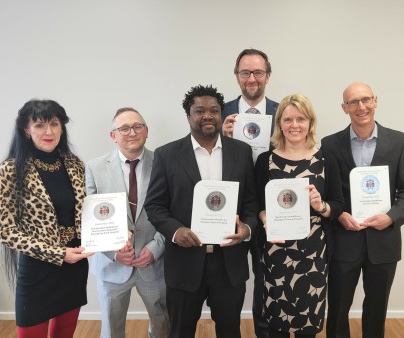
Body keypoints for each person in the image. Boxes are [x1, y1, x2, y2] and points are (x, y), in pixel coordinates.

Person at [144, 85, 259, 338]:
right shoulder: (167, 155)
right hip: (184, 263)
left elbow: (251, 203)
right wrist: (176, 231)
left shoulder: (241, 152)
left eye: (214, 110)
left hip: (228, 263)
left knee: (230, 331)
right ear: (188, 117)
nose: (208, 115)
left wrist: (247, 229)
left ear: (221, 114)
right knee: (180, 332)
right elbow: (154, 206)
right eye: (200, 111)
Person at [321, 82, 404, 338]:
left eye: (365, 100)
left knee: (377, 310)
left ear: (376, 101)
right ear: (344, 108)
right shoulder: (328, 145)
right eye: (353, 102)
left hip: (383, 242)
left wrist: (391, 217)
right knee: (338, 311)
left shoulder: (399, 141)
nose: (360, 107)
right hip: (344, 240)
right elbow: (327, 193)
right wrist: (339, 214)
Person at [0, 99, 93, 338]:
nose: (48, 132)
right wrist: (58, 254)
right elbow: (4, 230)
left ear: (62, 128)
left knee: (64, 335)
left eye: (54, 124)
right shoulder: (11, 169)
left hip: (75, 266)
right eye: (39, 125)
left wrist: (109, 235)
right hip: (38, 268)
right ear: (26, 130)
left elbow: (87, 214)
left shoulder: (75, 165)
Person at [255, 94, 344, 337]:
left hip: (313, 252)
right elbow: (257, 205)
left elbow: (337, 205)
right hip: (276, 251)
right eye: (288, 119)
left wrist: (320, 205)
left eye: (301, 119)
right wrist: (264, 218)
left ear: (310, 122)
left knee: (308, 325)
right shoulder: (265, 161)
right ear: (279, 124)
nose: (294, 125)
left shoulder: (326, 160)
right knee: (277, 324)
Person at [85, 107, 169, 338]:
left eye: (137, 126)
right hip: (112, 266)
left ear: (146, 131)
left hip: (153, 263)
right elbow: (91, 222)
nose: (131, 132)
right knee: (111, 330)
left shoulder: (165, 162)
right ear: (113, 135)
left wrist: (156, 248)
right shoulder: (94, 168)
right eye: (124, 128)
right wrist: (113, 252)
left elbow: (173, 212)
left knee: (162, 326)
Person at [221, 48, 279, 338]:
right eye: (245, 72)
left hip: (271, 210)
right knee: (228, 282)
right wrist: (222, 137)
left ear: (268, 75)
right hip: (229, 209)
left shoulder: (284, 114)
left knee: (266, 280)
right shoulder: (218, 113)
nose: (252, 78)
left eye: (258, 72)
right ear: (236, 76)